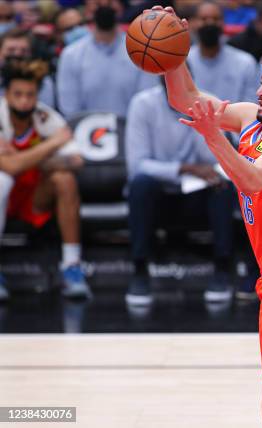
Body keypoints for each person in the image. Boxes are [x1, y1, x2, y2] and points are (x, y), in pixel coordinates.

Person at [157, 6, 262, 427]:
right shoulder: (253, 120)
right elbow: (186, 99)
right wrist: (175, 53)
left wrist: (213, 136)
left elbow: (254, 180)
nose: (260, 90)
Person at [124, 78, 236, 306]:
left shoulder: (205, 102)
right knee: (140, 184)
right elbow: (137, 165)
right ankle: (140, 271)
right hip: (158, 195)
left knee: (222, 186)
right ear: (163, 85)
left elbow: (217, 160)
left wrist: (201, 125)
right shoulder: (142, 104)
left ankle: (222, 270)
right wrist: (184, 169)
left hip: (194, 196)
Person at [0, 59, 91, 301]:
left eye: (30, 95)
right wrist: (50, 145)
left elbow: (76, 161)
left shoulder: (46, 117)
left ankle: (72, 266)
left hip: (34, 198)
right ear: (6, 95)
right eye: (17, 94)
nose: (24, 101)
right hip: (4, 199)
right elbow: (9, 166)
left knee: (65, 179)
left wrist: (26, 159)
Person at [56, 0, 157, 117]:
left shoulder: (142, 51)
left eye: (109, 3)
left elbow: (146, 105)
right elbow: (70, 110)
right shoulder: (70, 55)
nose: (104, 6)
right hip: (85, 131)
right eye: (98, 3)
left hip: (130, 130)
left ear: (120, 8)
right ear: (88, 10)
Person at [187, 1, 259, 105]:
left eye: (215, 19)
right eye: (204, 19)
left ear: (224, 22)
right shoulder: (183, 62)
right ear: (193, 23)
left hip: (235, 120)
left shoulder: (245, 62)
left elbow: (251, 105)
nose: (210, 23)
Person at [0, 28, 54, 107]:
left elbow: (45, 111)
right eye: (11, 50)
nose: (17, 54)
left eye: (24, 50)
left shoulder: (43, 81)